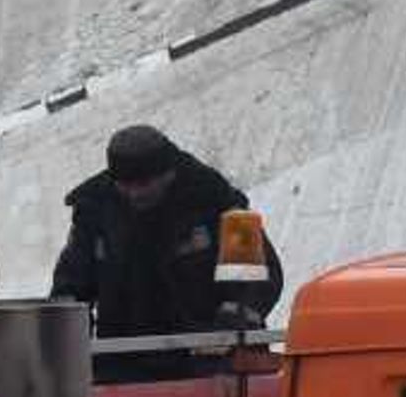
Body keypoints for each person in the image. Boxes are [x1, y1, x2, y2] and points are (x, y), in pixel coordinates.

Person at [52, 124, 284, 343]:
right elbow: (70, 288)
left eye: (144, 183)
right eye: (125, 185)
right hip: (121, 363)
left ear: (169, 173)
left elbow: (258, 280)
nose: (135, 194)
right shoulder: (94, 212)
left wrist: (233, 325)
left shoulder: (219, 203)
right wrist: (67, 341)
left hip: (209, 359)